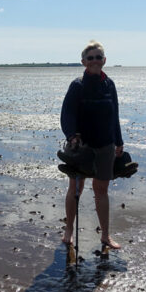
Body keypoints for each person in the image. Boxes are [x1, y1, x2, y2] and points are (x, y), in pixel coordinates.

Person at [59, 40, 124, 249]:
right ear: (83, 62)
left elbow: (115, 115)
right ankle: (69, 230)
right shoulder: (77, 85)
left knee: (102, 190)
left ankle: (105, 235)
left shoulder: (109, 84)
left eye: (98, 57)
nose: (94, 61)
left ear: (104, 60)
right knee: (75, 188)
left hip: (105, 145)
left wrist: (119, 141)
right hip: (82, 147)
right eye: (90, 58)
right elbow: (67, 114)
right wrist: (72, 137)